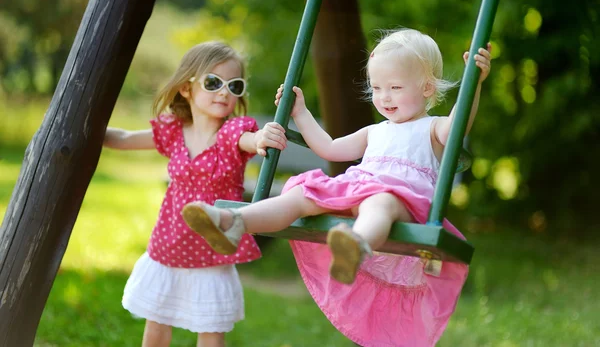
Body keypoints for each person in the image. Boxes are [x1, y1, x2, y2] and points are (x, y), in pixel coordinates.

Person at [181, 29, 492, 347]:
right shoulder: (374, 131)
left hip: (402, 202)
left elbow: (459, 126)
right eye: (377, 88)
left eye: (395, 88)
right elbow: (329, 148)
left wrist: (473, 85)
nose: (384, 97)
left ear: (427, 88)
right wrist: (300, 114)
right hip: (358, 188)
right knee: (303, 194)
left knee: (379, 203)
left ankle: (355, 247)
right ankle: (234, 223)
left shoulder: (434, 127)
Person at [103, 41, 287, 347]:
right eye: (213, 83)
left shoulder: (231, 133)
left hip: (212, 248)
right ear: (187, 88)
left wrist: (262, 137)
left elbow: (251, 141)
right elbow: (122, 138)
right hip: (170, 242)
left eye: (234, 85)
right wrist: (83, 128)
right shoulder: (174, 130)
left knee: (210, 324)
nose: (224, 92)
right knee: (157, 316)